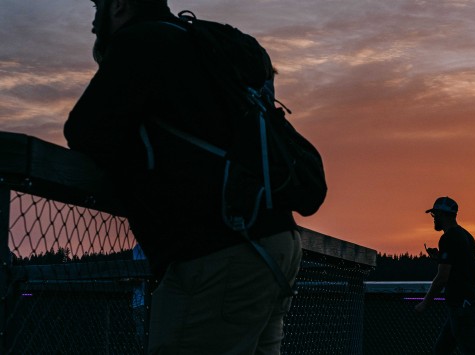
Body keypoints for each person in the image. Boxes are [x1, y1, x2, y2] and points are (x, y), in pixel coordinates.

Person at [64, 0, 302, 353]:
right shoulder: (197, 44)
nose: (93, 24)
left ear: (119, 6)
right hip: (275, 240)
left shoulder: (140, 43)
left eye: (97, 7)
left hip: (219, 254)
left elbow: (84, 132)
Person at [415, 197, 475, 355]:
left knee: (470, 350)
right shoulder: (466, 235)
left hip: (461, 304)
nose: (434, 219)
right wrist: (441, 258)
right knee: (442, 349)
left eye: (434, 215)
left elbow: (442, 277)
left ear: (441, 214)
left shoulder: (448, 237)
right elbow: (463, 266)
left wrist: (425, 302)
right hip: (467, 302)